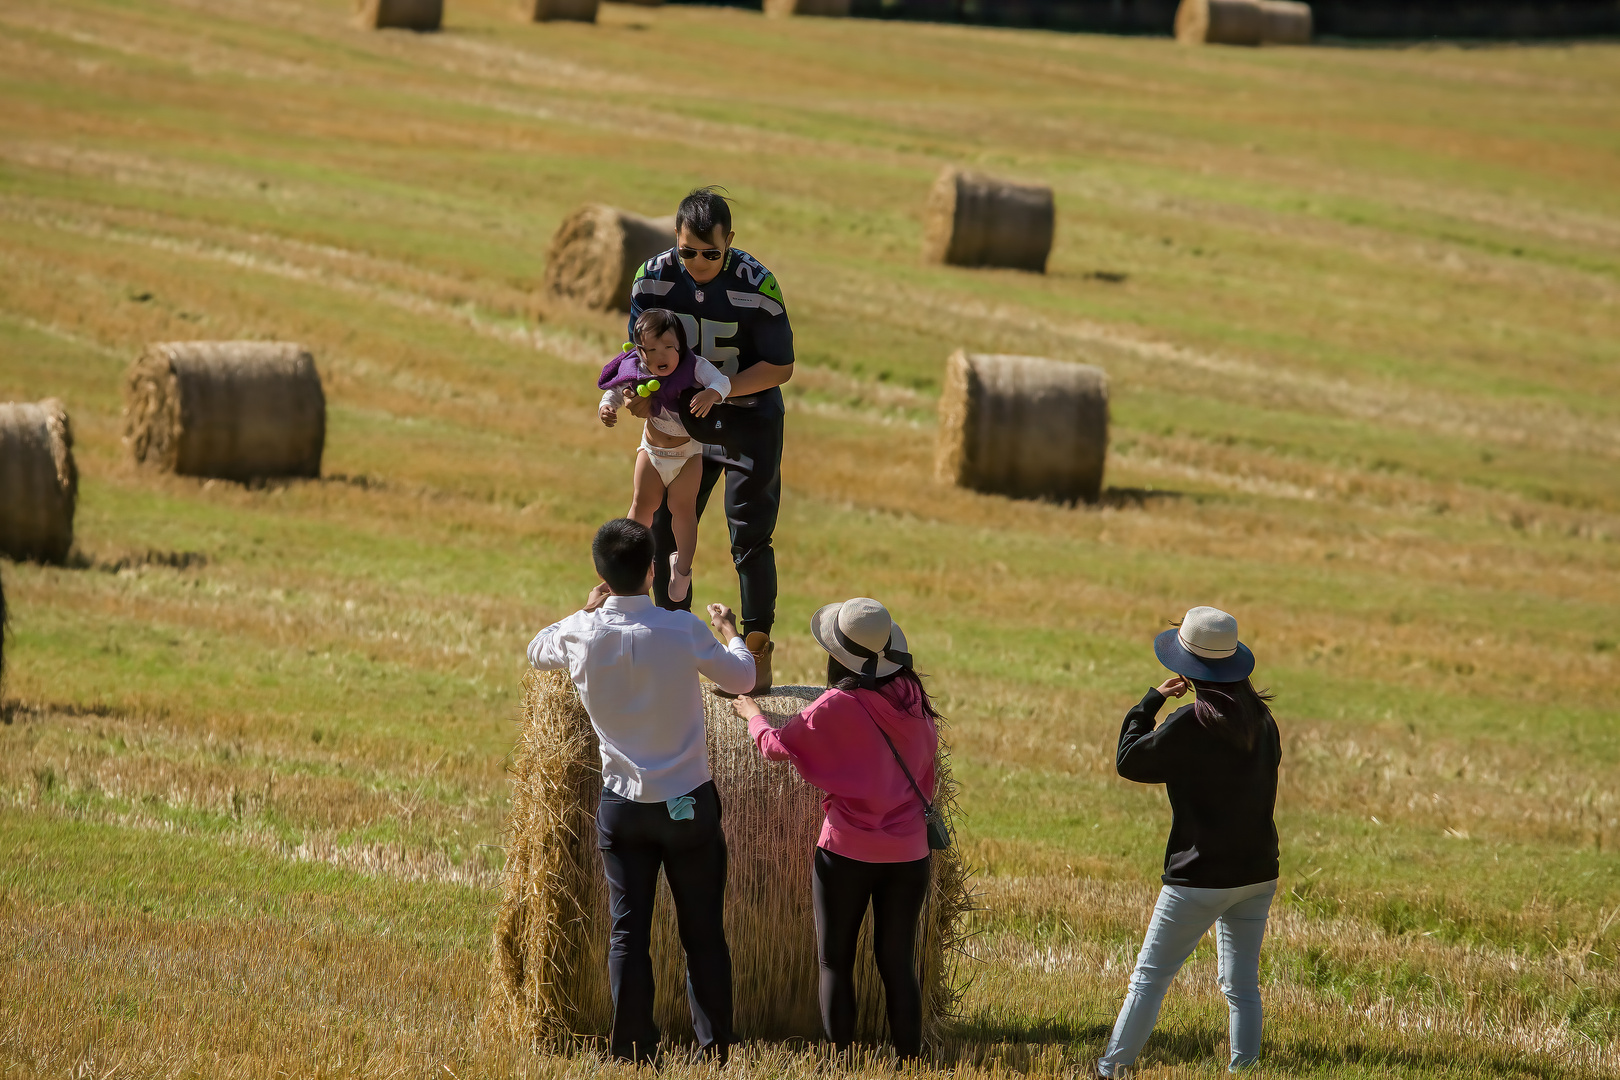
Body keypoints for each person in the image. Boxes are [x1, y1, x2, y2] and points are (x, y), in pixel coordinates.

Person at [526, 518, 757, 1064]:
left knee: (628, 934)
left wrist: (586, 610)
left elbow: (536, 650)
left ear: (600, 574)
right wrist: (730, 632)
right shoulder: (680, 629)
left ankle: (632, 1049)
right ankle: (715, 1051)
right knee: (702, 934)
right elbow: (742, 679)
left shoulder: (580, 634)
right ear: (653, 570)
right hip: (687, 805)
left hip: (624, 805)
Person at [728, 597, 939, 1062]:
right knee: (898, 963)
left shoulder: (836, 705)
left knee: (835, 961)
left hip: (845, 852)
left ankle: (843, 1060)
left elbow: (777, 748)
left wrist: (753, 717)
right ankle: (910, 1059)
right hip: (908, 855)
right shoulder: (912, 697)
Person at [1097, 606, 1283, 1077]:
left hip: (1199, 878)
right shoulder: (1262, 720)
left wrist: (1148, 703)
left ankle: (1111, 1069)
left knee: (1149, 979)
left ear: (1187, 667)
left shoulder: (1190, 723)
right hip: (1258, 871)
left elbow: (1130, 761)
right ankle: (1245, 1069)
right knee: (1242, 985)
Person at [628, 186, 794, 695]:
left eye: (711, 253)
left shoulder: (756, 282)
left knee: (749, 535)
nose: (698, 262)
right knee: (665, 530)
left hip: (747, 418)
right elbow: (639, 351)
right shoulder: (653, 277)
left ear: (731, 243)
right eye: (688, 251)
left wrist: (720, 391)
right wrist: (637, 396)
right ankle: (673, 641)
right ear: (674, 241)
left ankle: (758, 649)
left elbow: (781, 366)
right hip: (683, 422)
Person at [598, 308, 730, 603]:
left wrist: (712, 394)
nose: (663, 355)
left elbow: (722, 381)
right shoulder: (636, 369)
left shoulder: (694, 366)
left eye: (670, 347)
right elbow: (616, 391)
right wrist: (606, 408)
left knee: (683, 512)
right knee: (640, 509)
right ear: (640, 351)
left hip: (687, 454)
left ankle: (682, 569)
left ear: (681, 346)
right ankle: (632, 564)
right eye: (653, 349)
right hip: (652, 451)